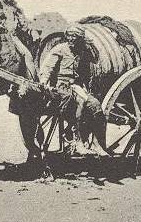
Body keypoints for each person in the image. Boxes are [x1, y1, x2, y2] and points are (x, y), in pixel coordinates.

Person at [38, 25, 106, 156]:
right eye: (70, 36)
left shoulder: (82, 51)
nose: (71, 39)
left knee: (96, 106)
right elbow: (48, 68)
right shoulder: (60, 49)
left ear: (80, 39)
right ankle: (77, 140)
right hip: (61, 87)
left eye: (75, 37)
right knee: (77, 105)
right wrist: (43, 83)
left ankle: (98, 144)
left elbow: (91, 65)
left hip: (76, 86)